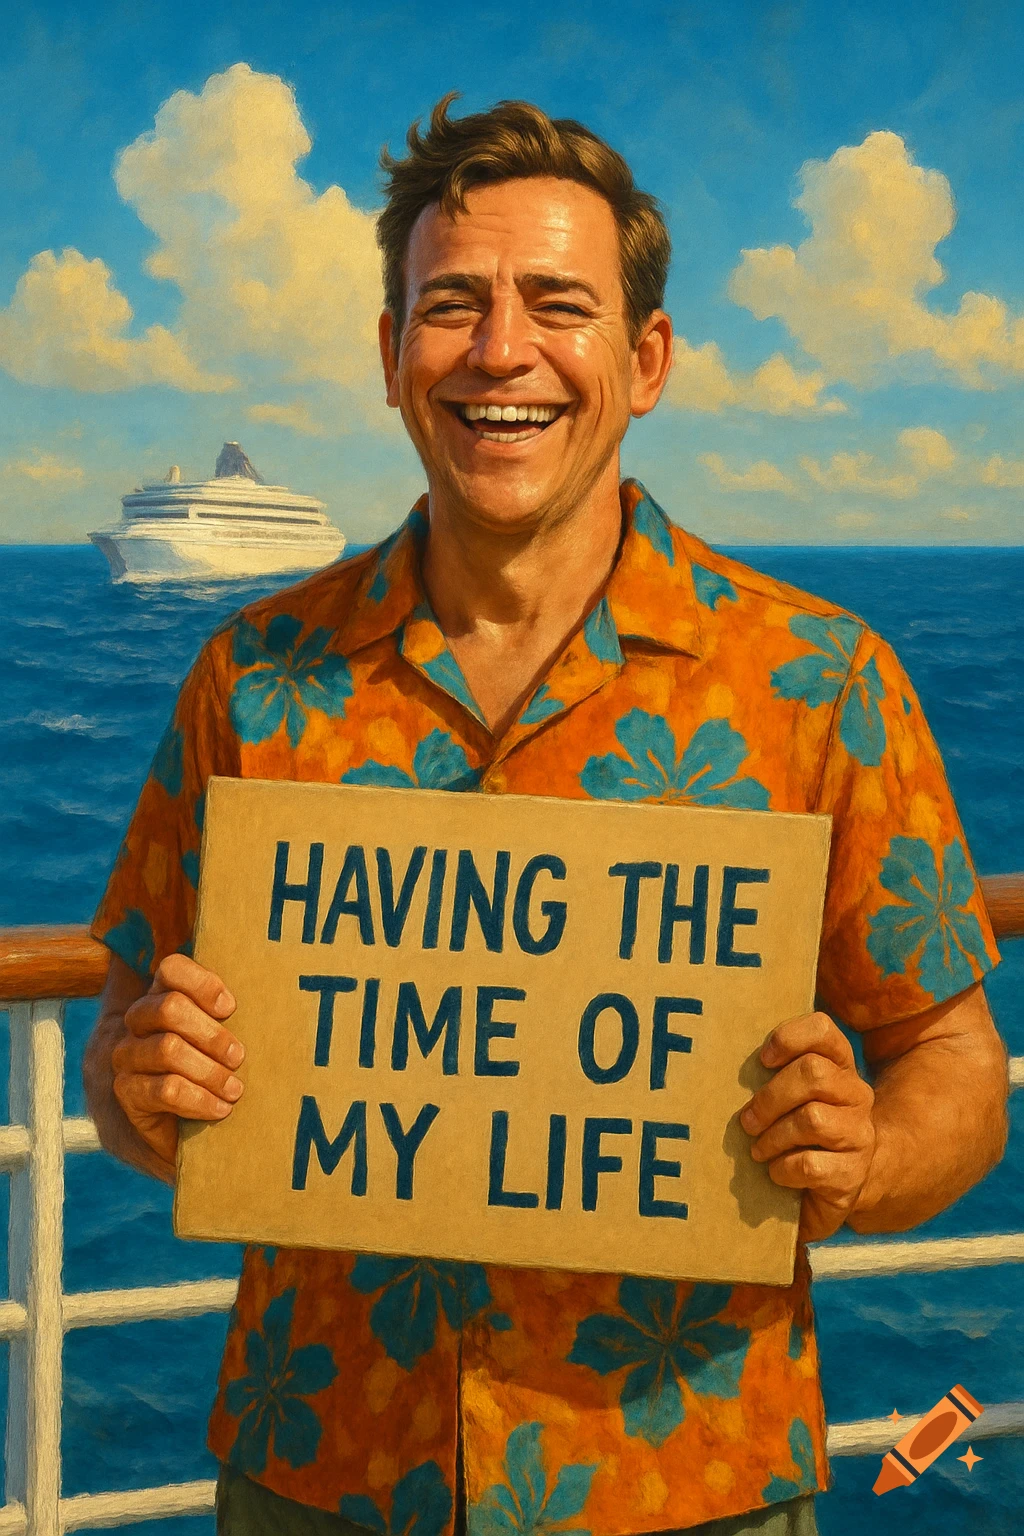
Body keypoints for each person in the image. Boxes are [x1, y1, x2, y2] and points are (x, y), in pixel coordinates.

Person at [83, 96, 1008, 1536]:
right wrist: (145, 1088)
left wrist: (871, 1154)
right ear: (392, 359)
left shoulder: (819, 682)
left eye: (557, 304)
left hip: (686, 1478)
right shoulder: (252, 682)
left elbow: (952, 1056)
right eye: (450, 304)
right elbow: (129, 1044)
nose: (500, 350)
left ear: (644, 361)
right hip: (320, 1470)